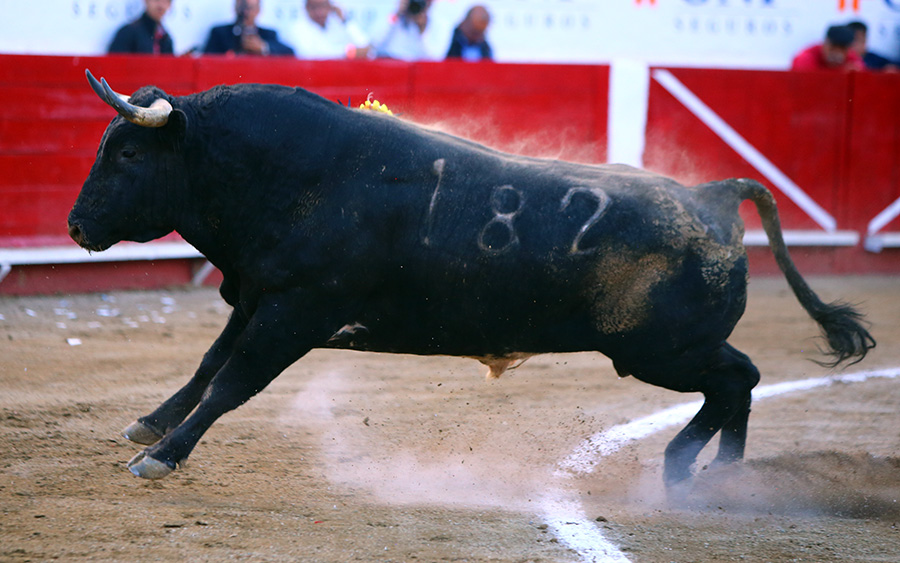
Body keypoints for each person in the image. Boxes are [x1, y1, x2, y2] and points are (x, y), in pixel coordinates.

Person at [203, 0, 294, 56]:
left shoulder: (268, 34)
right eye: (241, 8)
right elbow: (208, 57)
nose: (245, 13)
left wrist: (263, 47)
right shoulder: (220, 33)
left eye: (250, 8)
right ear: (235, 7)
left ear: (258, 10)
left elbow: (288, 52)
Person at [285, 0, 370, 59]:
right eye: (314, 7)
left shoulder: (336, 23)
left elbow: (366, 48)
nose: (320, 12)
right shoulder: (298, 28)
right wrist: (349, 53)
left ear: (330, 7)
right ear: (307, 8)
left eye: (324, 6)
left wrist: (345, 21)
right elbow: (311, 56)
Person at [108, 0, 173, 55]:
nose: (160, 6)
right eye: (156, 0)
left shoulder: (166, 38)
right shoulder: (128, 33)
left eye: (166, 1)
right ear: (146, 1)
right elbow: (114, 65)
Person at [790, 25, 863, 71]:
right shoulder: (806, 58)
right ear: (825, 43)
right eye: (833, 47)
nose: (837, 52)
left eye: (842, 48)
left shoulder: (852, 60)